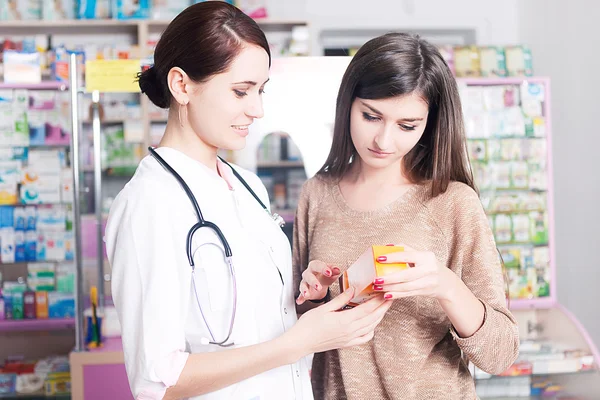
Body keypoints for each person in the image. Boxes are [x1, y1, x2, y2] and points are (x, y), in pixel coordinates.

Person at [104, 3, 391, 400]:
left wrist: (309, 293)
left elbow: (252, 316)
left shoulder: (247, 184)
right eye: (241, 91)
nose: (257, 109)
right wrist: (297, 343)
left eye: (261, 90)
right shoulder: (147, 205)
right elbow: (158, 382)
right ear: (181, 85)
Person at [293, 32, 520, 399]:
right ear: (347, 103)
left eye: (407, 125)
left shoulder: (452, 202)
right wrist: (316, 296)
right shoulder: (316, 194)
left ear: (429, 124)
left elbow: (499, 354)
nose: (384, 140)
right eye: (371, 116)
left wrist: (444, 284)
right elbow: (299, 336)